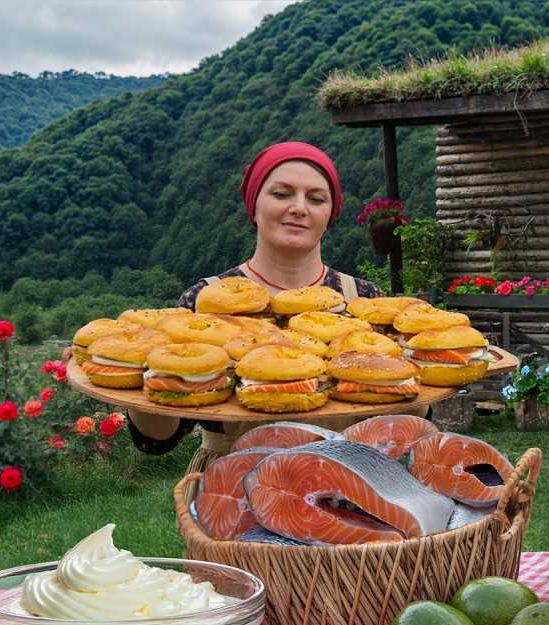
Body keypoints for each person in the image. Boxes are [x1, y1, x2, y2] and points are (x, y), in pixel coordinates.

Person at [128, 141, 383, 462]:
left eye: (316, 199)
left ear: (330, 213)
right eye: (281, 194)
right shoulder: (205, 302)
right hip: (232, 483)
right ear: (254, 206)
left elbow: (411, 417)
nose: (300, 208)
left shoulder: (364, 301)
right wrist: (140, 369)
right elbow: (157, 439)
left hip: (350, 479)